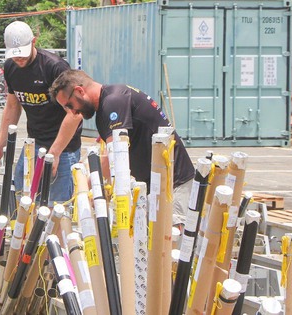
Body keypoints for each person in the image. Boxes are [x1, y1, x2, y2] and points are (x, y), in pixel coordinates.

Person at [49, 69, 195, 224]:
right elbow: (113, 158)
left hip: (174, 185)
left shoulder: (113, 102)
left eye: (70, 105)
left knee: (173, 243)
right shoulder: (109, 103)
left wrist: (88, 187)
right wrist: (87, 187)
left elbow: (116, 159)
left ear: (79, 90)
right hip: (157, 186)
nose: (72, 111)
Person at [0, 21, 82, 205]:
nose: (19, 60)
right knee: (22, 198)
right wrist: (0, 144)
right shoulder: (11, 67)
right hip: (34, 142)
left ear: (34, 41)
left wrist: (55, 154)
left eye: (23, 54)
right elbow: (12, 106)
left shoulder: (54, 67)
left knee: (55, 208)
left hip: (63, 147)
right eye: (15, 55)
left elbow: (75, 114)